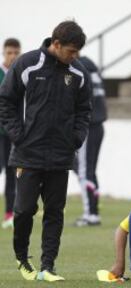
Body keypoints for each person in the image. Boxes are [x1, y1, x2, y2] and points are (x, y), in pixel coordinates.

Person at [0, 21, 91, 282]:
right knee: (24, 210)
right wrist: (19, 135)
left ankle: (47, 266)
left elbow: (85, 110)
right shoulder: (27, 64)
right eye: (71, 51)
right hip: (28, 154)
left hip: (61, 156)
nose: (74, 57)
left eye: (77, 53)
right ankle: (21, 257)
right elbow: (5, 101)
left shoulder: (78, 73)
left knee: (54, 212)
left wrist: (76, 138)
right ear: (57, 44)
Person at [73, 55, 107, 227]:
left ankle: (90, 214)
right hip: (98, 125)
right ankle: (93, 211)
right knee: (88, 170)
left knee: (84, 170)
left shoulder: (78, 68)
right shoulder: (92, 67)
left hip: (88, 125)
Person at [0, 38, 21, 229]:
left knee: (11, 173)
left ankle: (9, 214)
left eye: (16, 53)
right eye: (9, 53)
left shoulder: (22, 75)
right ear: (3, 53)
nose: (13, 56)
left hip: (13, 133)